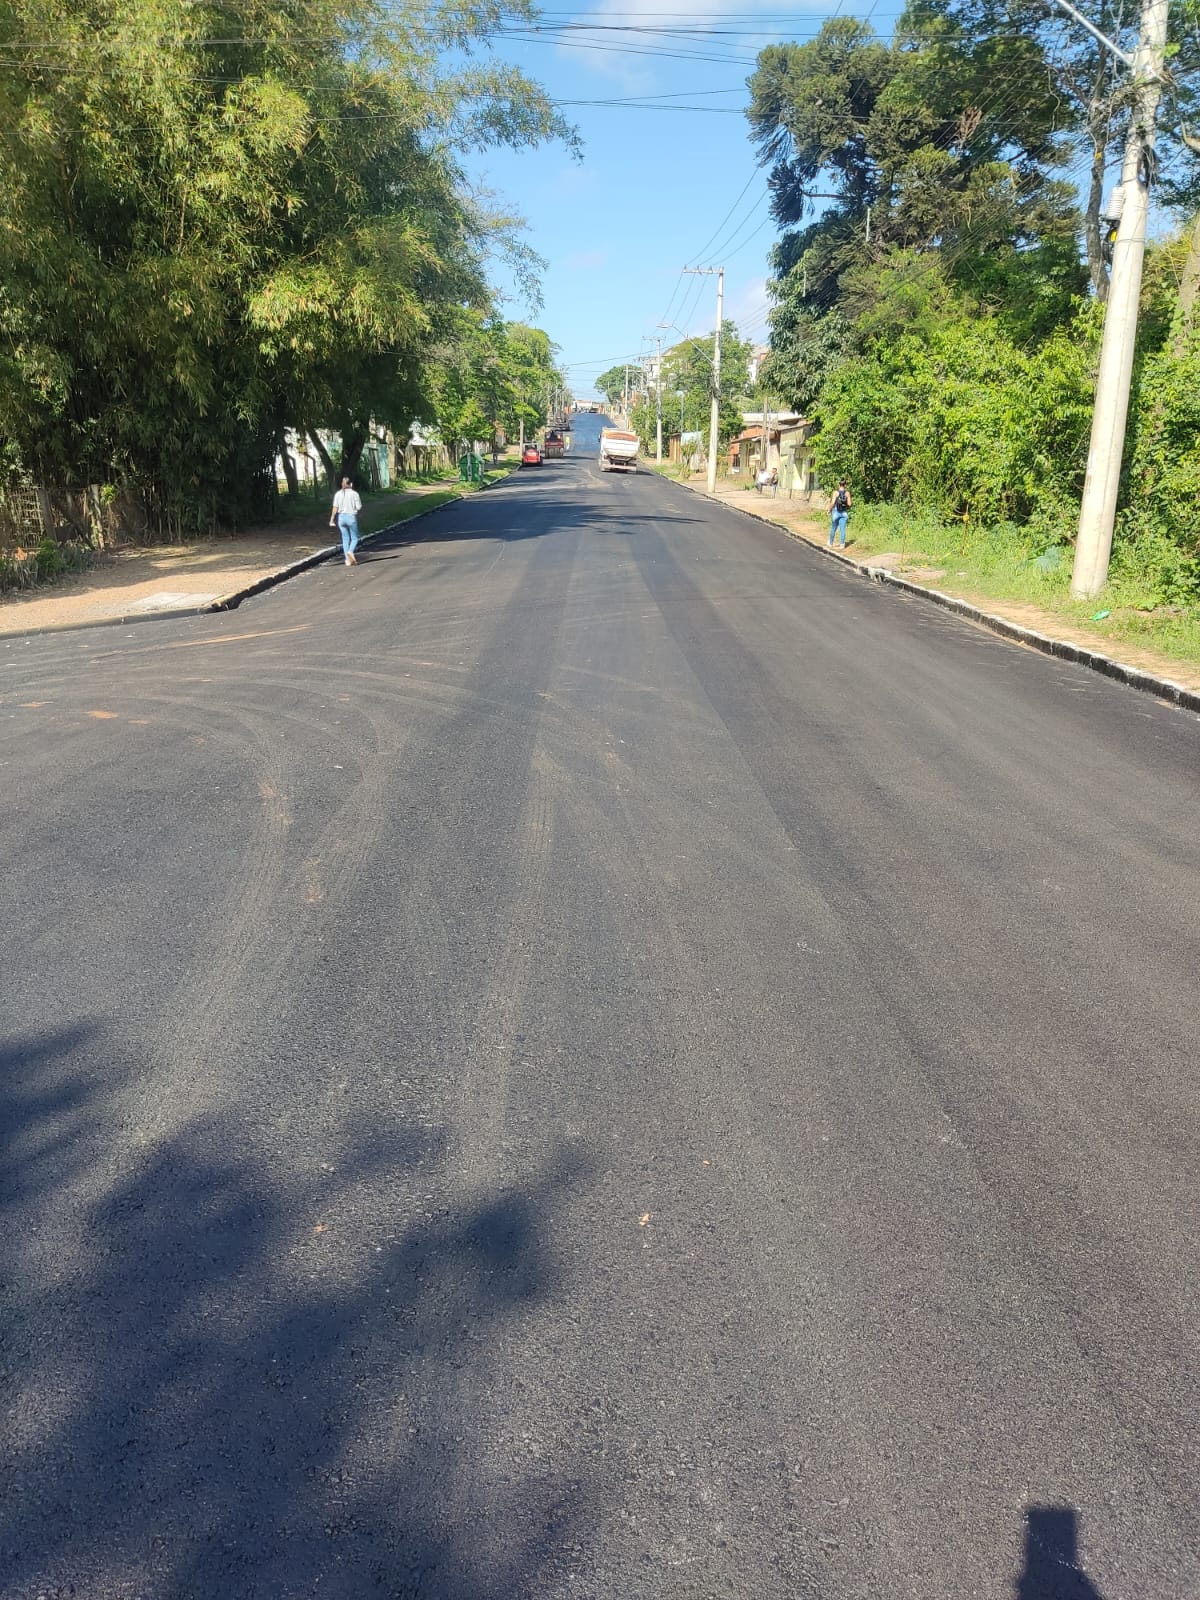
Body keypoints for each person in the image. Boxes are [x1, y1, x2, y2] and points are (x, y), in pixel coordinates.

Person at [330, 476, 362, 566]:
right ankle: (350, 551)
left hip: (341, 518)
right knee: (355, 538)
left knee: (345, 539)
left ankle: (347, 560)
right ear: (351, 484)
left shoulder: (338, 494)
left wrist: (332, 519)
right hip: (351, 517)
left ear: (342, 484)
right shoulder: (354, 494)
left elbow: (335, 507)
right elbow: (358, 507)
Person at [828, 479, 852, 547]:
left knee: (833, 528)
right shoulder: (847, 493)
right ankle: (842, 544)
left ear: (839, 484)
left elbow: (832, 503)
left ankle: (830, 543)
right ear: (845, 485)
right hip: (844, 512)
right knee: (843, 529)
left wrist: (829, 510)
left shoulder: (835, 492)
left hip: (836, 512)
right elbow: (849, 504)